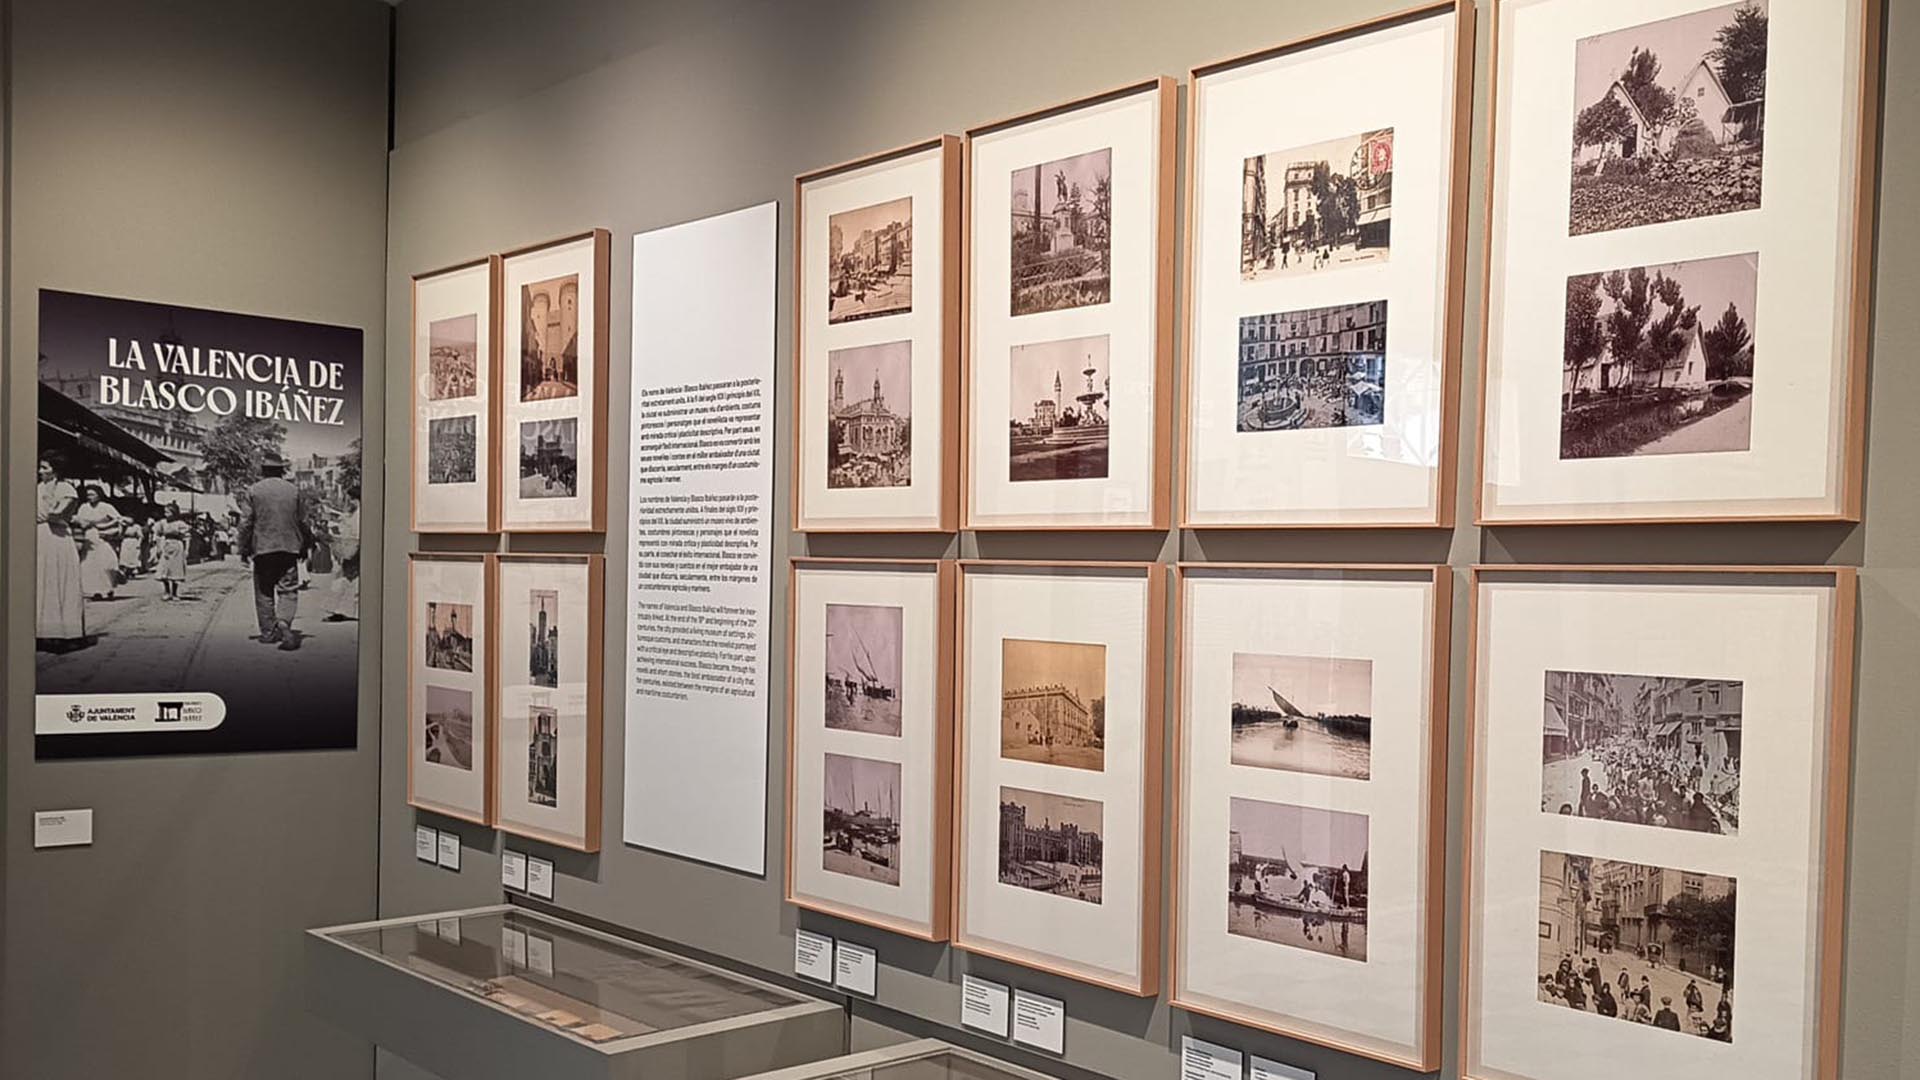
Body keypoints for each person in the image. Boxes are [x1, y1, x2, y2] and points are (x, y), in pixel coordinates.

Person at [238, 453, 312, 650]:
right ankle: (284, 621)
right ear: (282, 470)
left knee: (264, 591)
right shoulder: (294, 491)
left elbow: (245, 523)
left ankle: (268, 633)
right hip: (289, 548)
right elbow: (303, 521)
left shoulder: (253, 490)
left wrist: (243, 548)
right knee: (288, 589)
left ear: (263, 470)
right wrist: (305, 545)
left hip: (263, 548)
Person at [35, 459, 86, 645]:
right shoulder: (38, 487)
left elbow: (56, 515)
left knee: (59, 580)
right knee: (41, 581)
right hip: (39, 535)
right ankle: (41, 631)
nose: (40, 471)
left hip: (57, 537)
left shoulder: (66, 489)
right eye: (40, 467)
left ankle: (65, 632)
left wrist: (49, 499)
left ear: (55, 470)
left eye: (45, 467)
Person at [71, 485, 128, 600]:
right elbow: (80, 521)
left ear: (99, 495)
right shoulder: (84, 507)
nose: (90, 497)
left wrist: (110, 528)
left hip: (103, 537)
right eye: (88, 495)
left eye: (92, 494)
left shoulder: (106, 507)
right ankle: (96, 591)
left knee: (107, 563)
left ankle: (109, 588)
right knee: (91, 565)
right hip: (89, 538)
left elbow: (120, 519)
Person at [326, 484, 360, 621]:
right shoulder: (356, 514)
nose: (349, 502)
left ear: (355, 499)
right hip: (352, 548)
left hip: (353, 548)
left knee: (345, 580)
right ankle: (345, 610)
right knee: (349, 580)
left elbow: (355, 534)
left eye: (350, 499)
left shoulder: (358, 514)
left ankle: (340, 610)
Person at [155, 505, 190, 601]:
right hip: (166, 545)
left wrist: (186, 550)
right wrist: (158, 547)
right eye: (165, 512)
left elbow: (187, 537)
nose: (165, 514)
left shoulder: (180, 524)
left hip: (177, 547)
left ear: (174, 513)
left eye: (168, 512)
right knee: (164, 569)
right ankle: (166, 591)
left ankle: (174, 593)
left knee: (175, 570)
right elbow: (158, 535)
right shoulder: (162, 523)